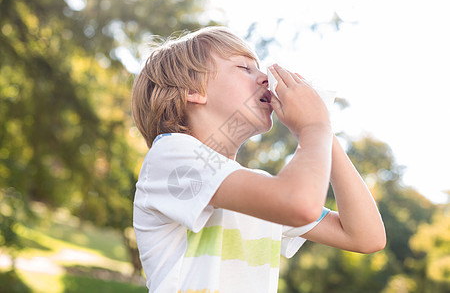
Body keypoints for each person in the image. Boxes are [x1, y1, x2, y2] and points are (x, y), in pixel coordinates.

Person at [131, 26, 386, 292]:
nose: (265, 78)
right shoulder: (171, 157)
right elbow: (300, 203)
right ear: (193, 89)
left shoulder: (264, 191)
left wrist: (324, 129)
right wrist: (313, 126)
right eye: (245, 68)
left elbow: (366, 236)